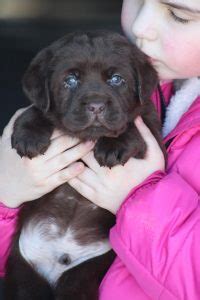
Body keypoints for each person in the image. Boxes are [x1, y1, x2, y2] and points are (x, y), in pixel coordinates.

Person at [0, 0, 200, 298]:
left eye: (179, 15)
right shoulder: (151, 81)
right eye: (137, 0)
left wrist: (138, 197)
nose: (140, 28)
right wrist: (4, 193)